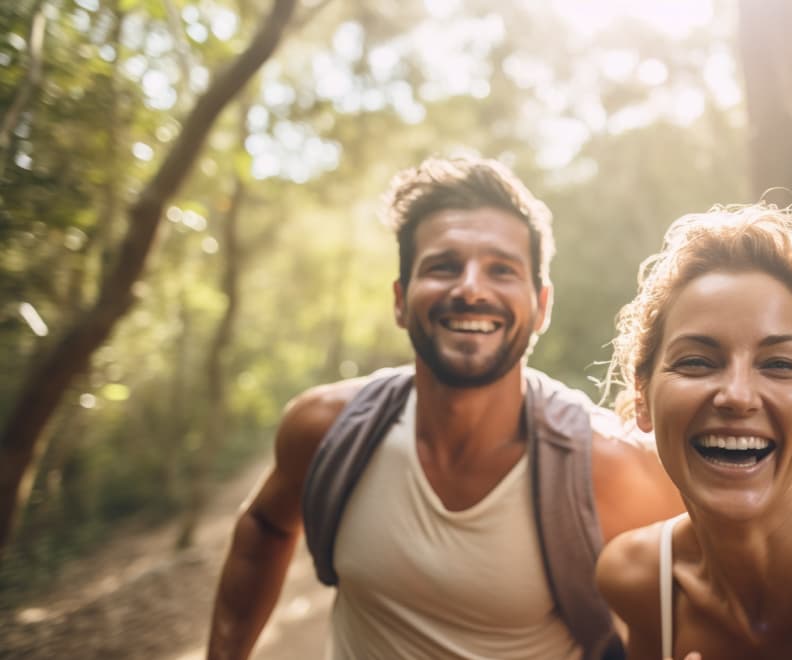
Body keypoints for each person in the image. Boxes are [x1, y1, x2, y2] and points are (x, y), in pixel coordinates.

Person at [206, 156, 683, 660]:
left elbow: (711, 588)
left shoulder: (610, 467)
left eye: (501, 270)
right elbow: (265, 526)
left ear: (541, 305)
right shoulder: (326, 429)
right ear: (400, 299)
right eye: (443, 266)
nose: (470, 288)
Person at [596, 203, 792, 660]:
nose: (738, 396)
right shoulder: (637, 579)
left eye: (779, 364)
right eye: (696, 361)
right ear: (642, 397)